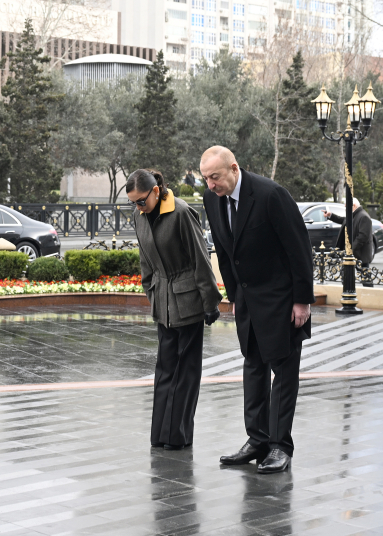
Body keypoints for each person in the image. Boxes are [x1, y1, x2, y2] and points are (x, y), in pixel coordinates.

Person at [199, 146, 314, 474]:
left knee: (284, 370)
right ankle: (257, 439)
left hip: (282, 300)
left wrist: (302, 301)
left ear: (234, 168)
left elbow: (299, 249)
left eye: (215, 177)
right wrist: (234, 297)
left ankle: (280, 446)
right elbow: (223, 250)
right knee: (253, 367)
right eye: (206, 178)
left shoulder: (271, 195)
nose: (210, 185)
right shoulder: (212, 200)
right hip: (247, 301)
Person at [126, 169, 222, 451]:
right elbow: (145, 260)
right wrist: (150, 291)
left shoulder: (181, 212)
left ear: (156, 191)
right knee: (165, 369)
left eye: (140, 201)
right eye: (133, 203)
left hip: (189, 300)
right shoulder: (139, 216)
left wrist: (210, 301)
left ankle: (177, 436)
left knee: (186, 370)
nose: (137, 207)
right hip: (163, 302)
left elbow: (200, 258)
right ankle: (161, 435)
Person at [323, 199, 374, 286]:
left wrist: (350, 249)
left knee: (365, 278)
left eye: (347, 206)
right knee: (346, 276)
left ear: (353, 206)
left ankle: (369, 295)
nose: (345, 208)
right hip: (352, 253)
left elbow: (362, 237)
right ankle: (348, 292)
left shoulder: (364, 217)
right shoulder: (354, 215)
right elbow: (343, 220)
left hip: (360, 254)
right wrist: (330, 215)